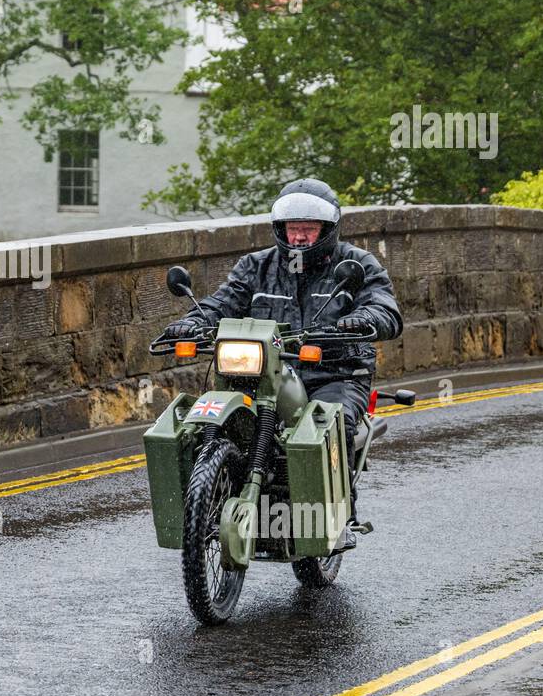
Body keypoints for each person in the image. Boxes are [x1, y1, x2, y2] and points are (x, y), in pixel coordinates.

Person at [159, 178, 402, 551]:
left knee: (329, 422)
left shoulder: (355, 265)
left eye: (308, 229)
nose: (300, 237)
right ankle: (207, 499)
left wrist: (363, 319)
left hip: (333, 372)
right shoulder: (256, 267)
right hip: (263, 374)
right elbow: (223, 303)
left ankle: (341, 517)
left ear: (327, 229)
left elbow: (384, 308)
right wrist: (194, 321)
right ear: (280, 229)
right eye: (293, 228)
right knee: (202, 421)